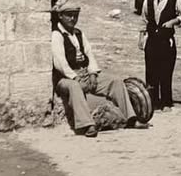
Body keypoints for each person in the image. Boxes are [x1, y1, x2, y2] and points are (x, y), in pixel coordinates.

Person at [52, 7, 144, 138]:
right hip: (65, 78)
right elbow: (60, 62)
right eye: (69, 15)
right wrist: (75, 78)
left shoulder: (78, 33)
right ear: (61, 16)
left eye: (75, 15)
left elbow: (89, 54)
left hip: (84, 73)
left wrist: (93, 74)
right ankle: (87, 125)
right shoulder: (56, 35)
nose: (73, 19)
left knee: (115, 81)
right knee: (75, 87)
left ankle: (130, 118)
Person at [139, 0, 181, 111]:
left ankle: (166, 102)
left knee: (165, 72)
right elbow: (144, 19)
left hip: (166, 41)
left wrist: (173, 21)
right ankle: (153, 102)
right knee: (151, 71)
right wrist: (141, 38)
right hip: (152, 41)